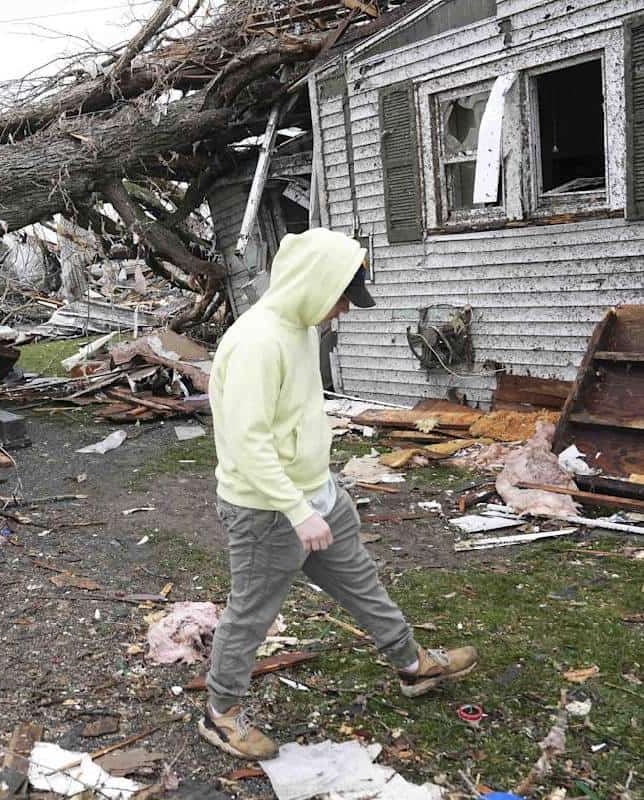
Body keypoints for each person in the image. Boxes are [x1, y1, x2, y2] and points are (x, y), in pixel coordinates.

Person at [199, 228, 478, 760]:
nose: (344, 311)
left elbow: (296, 415)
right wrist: (298, 511)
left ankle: (412, 664)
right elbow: (247, 442)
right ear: (313, 285)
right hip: (266, 512)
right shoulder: (257, 342)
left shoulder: (301, 326)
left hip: (317, 495)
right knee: (250, 614)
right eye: (343, 298)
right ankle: (221, 712)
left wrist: (319, 493)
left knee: (362, 583)